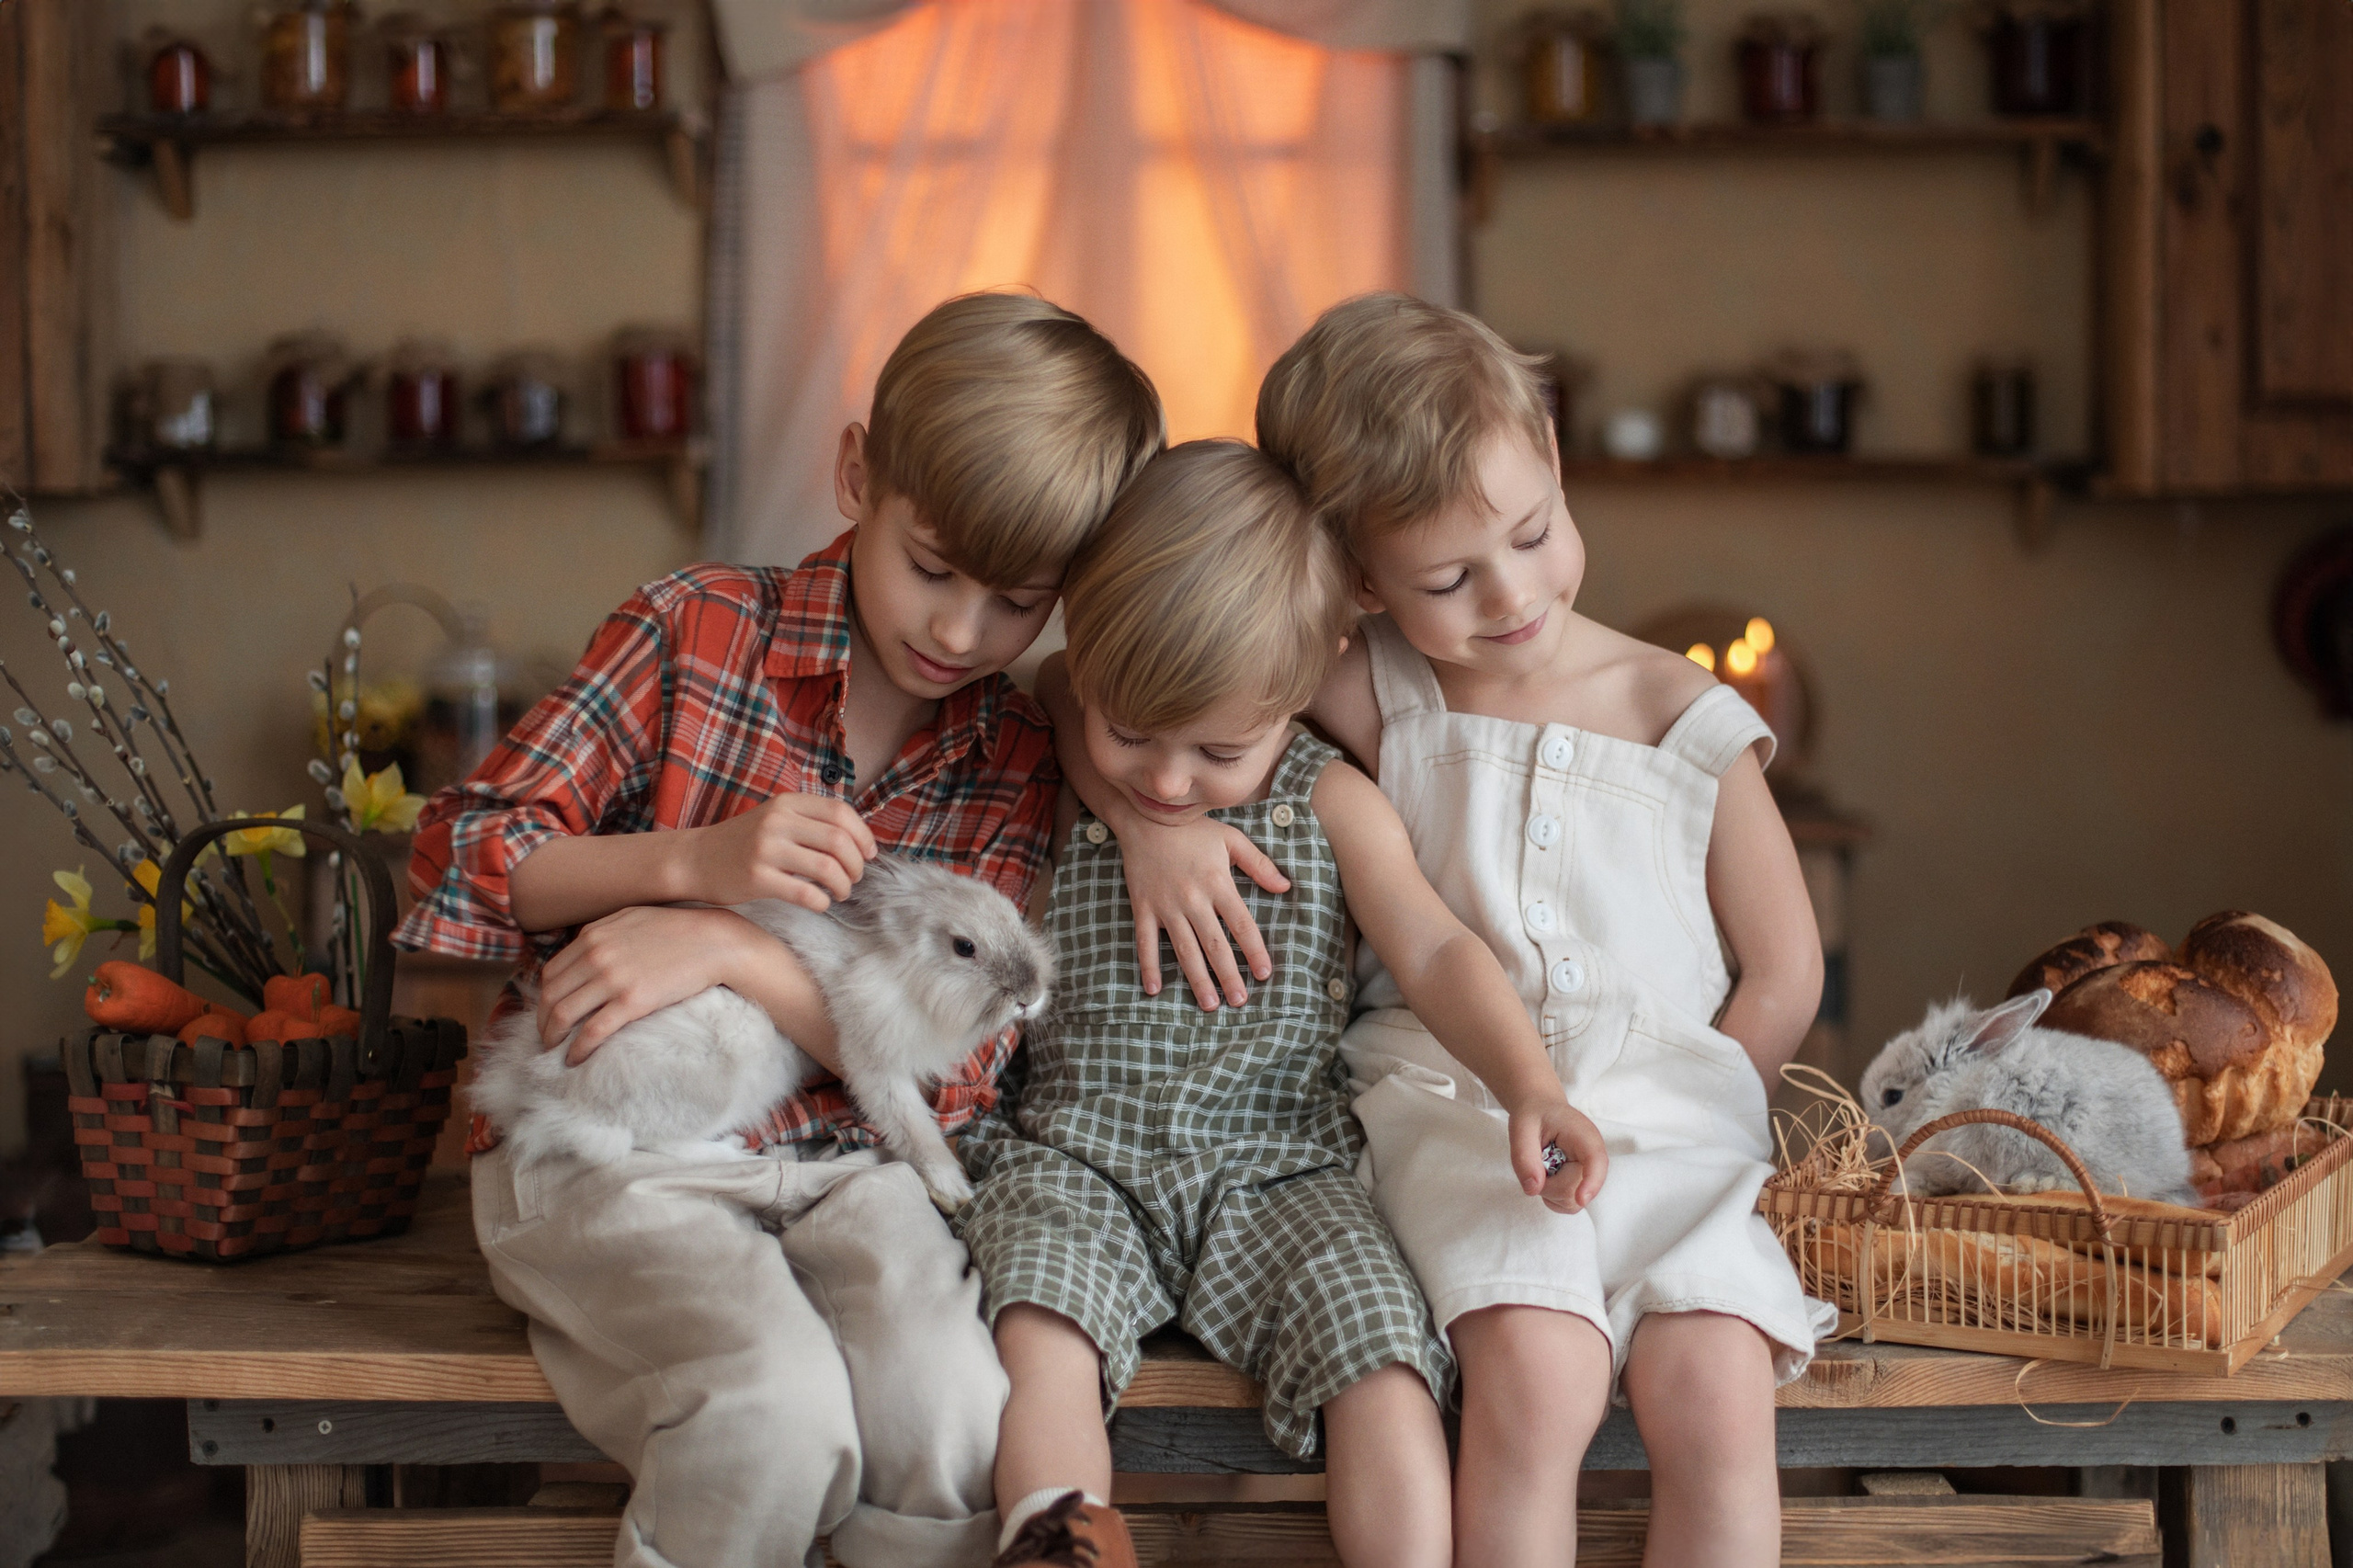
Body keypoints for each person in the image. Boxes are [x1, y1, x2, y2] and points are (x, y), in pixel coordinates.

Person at [1062, 295, 1836, 1567]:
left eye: (1532, 533)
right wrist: (1148, 824)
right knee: (1535, 1374)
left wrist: (1692, 1122)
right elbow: (1092, 677)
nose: (1513, 593)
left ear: (1549, 447)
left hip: (1673, 1124)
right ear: (1357, 577)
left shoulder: (1679, 712)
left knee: (1716, 1391)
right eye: (1446, 577)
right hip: (1455, 1105)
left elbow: (1784, 964)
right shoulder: (1371, 685)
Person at [395, 292, 1163, 1568]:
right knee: (778, 1407)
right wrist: (692, 864)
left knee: (958, 1411)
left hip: (853, 1165)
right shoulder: (694, 628)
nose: (961, 632)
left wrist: (737, 949)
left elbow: (960, 1077)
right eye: (932, 567)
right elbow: (462, 851)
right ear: (859, 470)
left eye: (1020, 602)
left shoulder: (1014, 749)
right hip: (613, 1145)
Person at [962, 440, 1608, 1568]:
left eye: (1217, 750)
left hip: (1277, 1165)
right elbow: (1058, 687)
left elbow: (1439, 949)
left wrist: (1530, 1082)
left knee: (1379, 1346)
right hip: (1075, 1153)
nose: (1165, 781)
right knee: (1038, 1318)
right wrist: (1133, 815)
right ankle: (1062, 1538)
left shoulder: (1331, 797)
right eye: (1132, 736)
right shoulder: (1068, 742)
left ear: (1309, 675)